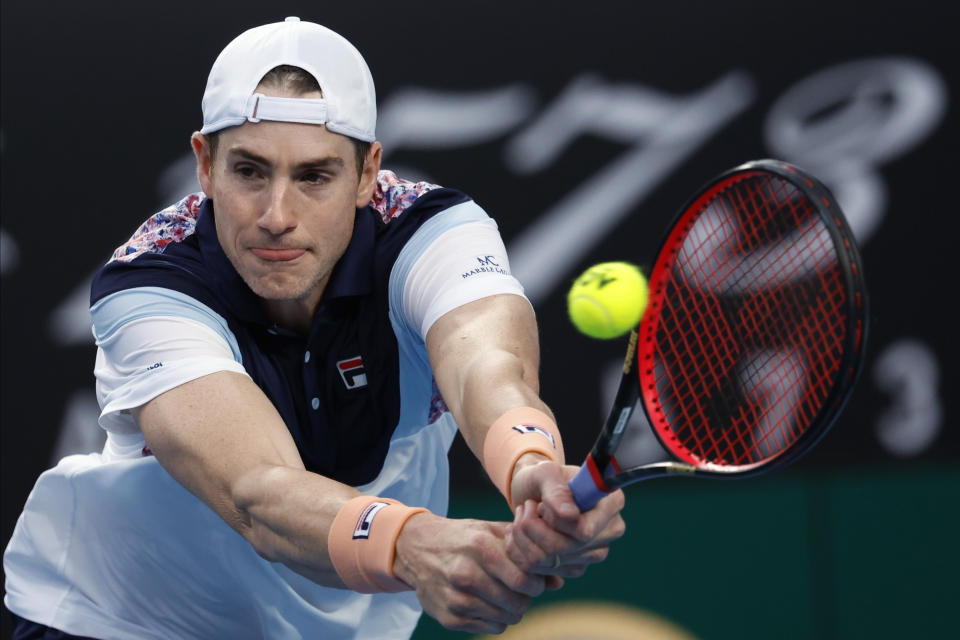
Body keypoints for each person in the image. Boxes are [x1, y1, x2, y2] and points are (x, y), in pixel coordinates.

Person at [3, 17, 625, 639]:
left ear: (366, 173)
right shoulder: (150, 285)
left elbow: (489, 369)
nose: (277, 216)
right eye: (249, 172)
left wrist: (530, 464)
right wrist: (413, 543)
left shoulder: (434, 233)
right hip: (120, 620)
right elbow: (258, 493)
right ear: (204, 162)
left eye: (313, 177)